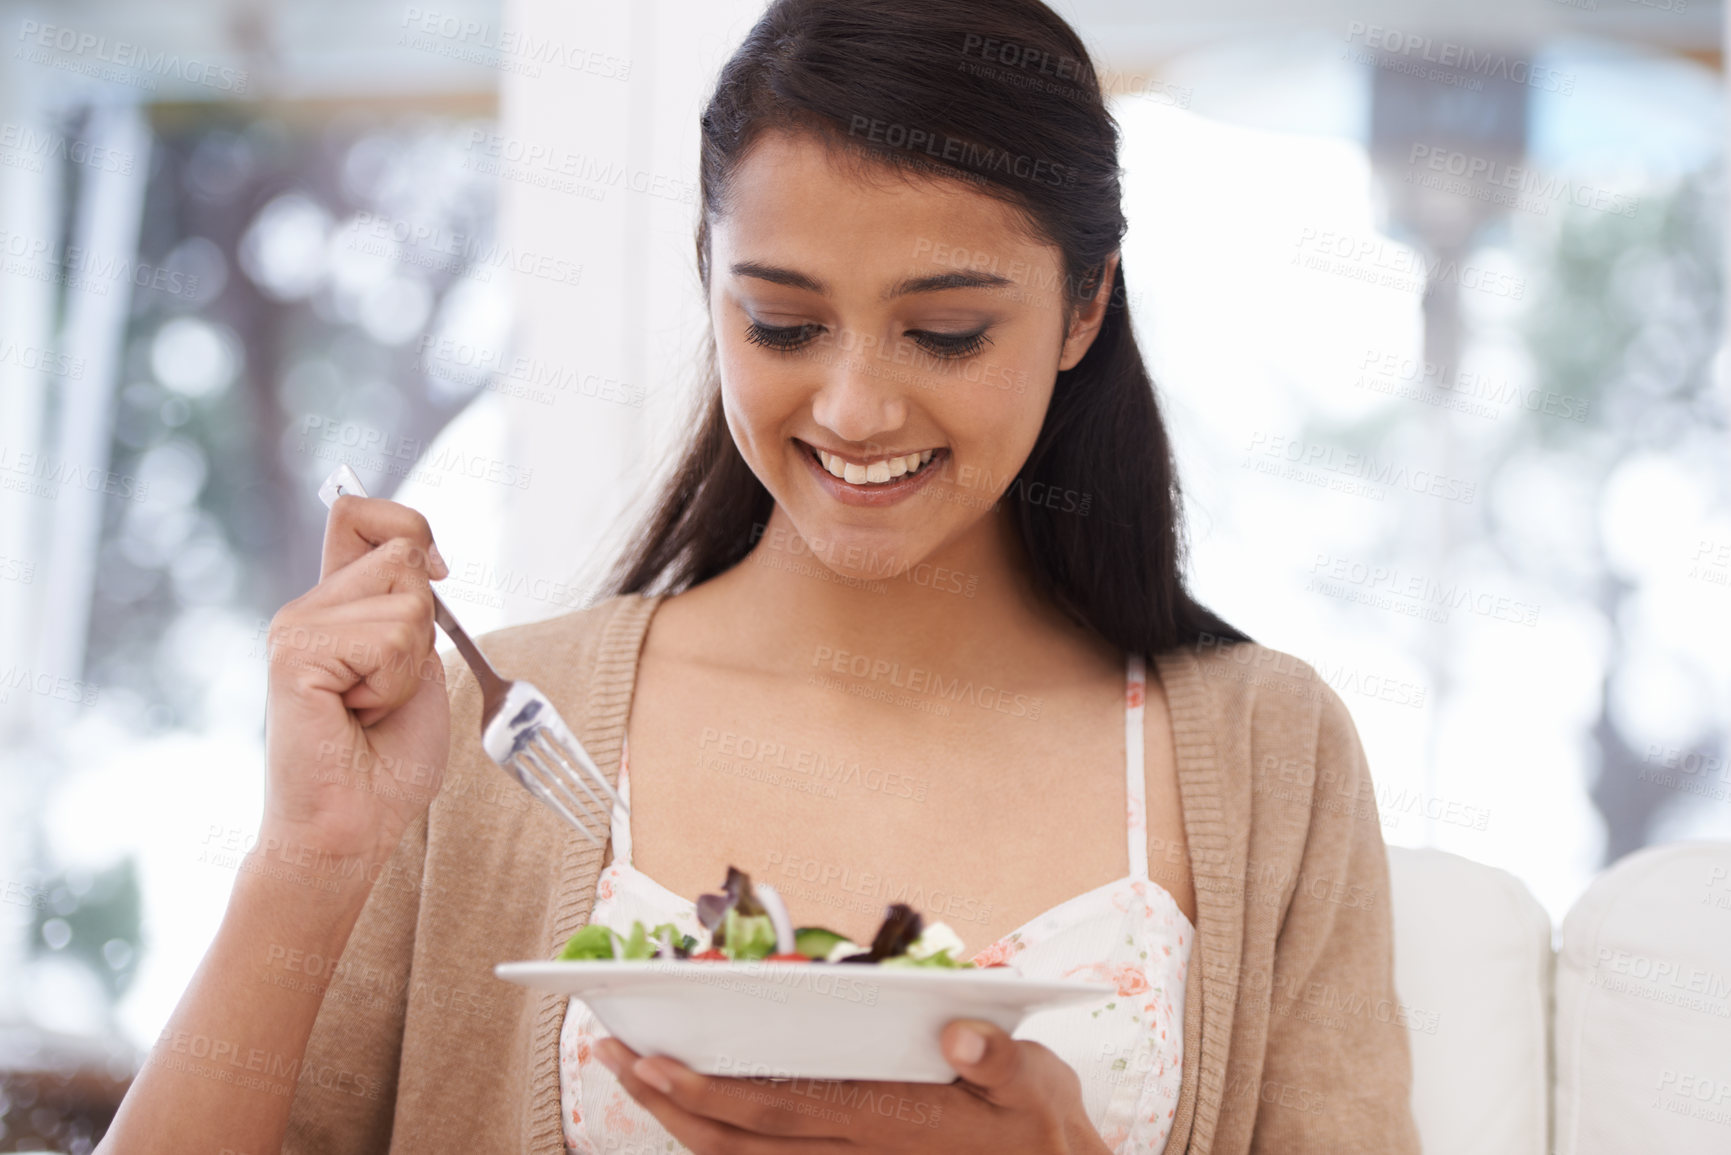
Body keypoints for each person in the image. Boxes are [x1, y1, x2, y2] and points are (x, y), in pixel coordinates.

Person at [97, 1, 1422, 1152]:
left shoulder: (1267, 754)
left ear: (1084, 308)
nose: (852, 407)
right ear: (707, 281)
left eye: (947, 332)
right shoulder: (496, 727)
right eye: (783, 322)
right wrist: (310, 854)